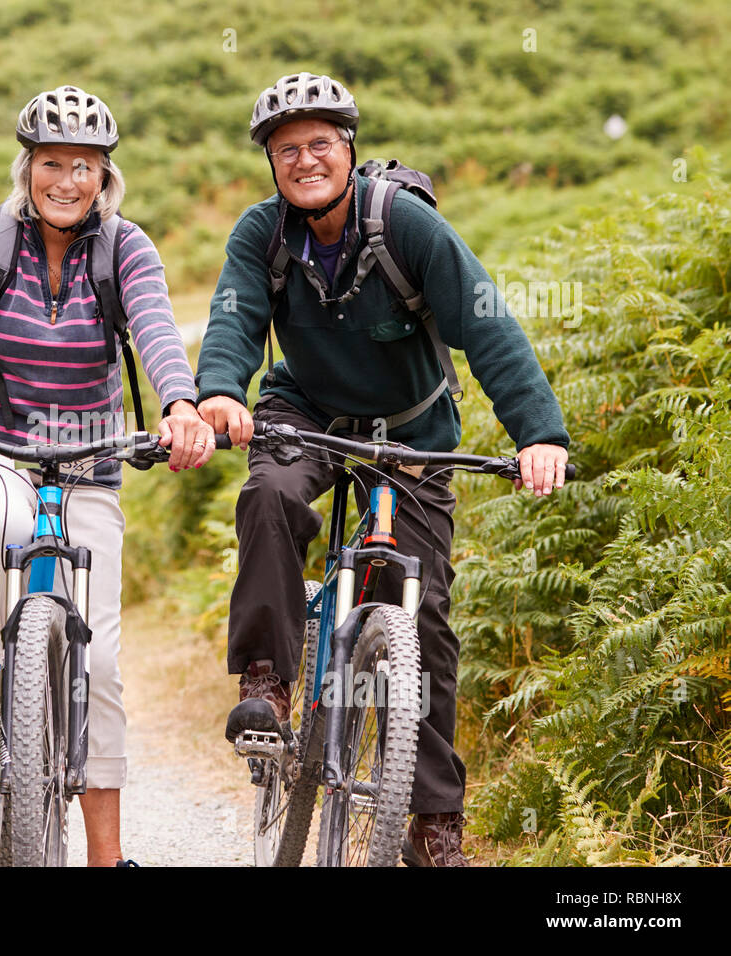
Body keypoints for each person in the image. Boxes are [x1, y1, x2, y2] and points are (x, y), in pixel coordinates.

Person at [195, 72, 570, 866]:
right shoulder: (262, 235)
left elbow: (489, 325)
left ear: (350, 150)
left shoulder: (405, 226)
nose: (305, 161)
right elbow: (233, 319)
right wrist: (221, 394)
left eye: (320, 144)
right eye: (287, 149)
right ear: (271, 162)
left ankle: (432, 824)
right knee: (268, 494)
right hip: (307, 414)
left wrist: (540, 433)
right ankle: (265, 680)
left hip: (411, 432)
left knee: (424, 614)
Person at [0, 85, 214, 867]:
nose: (67, 180)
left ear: (107, 177)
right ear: (26, 167)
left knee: (98, 661)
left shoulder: (125, 247)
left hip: (92, 458)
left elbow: (157, 330)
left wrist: (181, 405)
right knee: (3, 525)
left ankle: (107, 860)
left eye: (86, 166)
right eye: (52, 163)